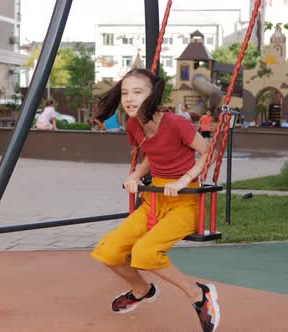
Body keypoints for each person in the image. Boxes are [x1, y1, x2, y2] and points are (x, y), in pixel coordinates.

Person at [91, 68, 220, 332]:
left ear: (152, 94)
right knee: (107, 251)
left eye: (137, 92)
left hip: (185, 201)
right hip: (154, 200)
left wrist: (184, 180)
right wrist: (136, 174)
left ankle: (199, 295)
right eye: (125, 92)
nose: (129, 98)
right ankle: (142, 289)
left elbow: (210, 152)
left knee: (144, 254)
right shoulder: (133, 124)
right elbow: (151, 154)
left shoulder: (176, 123)